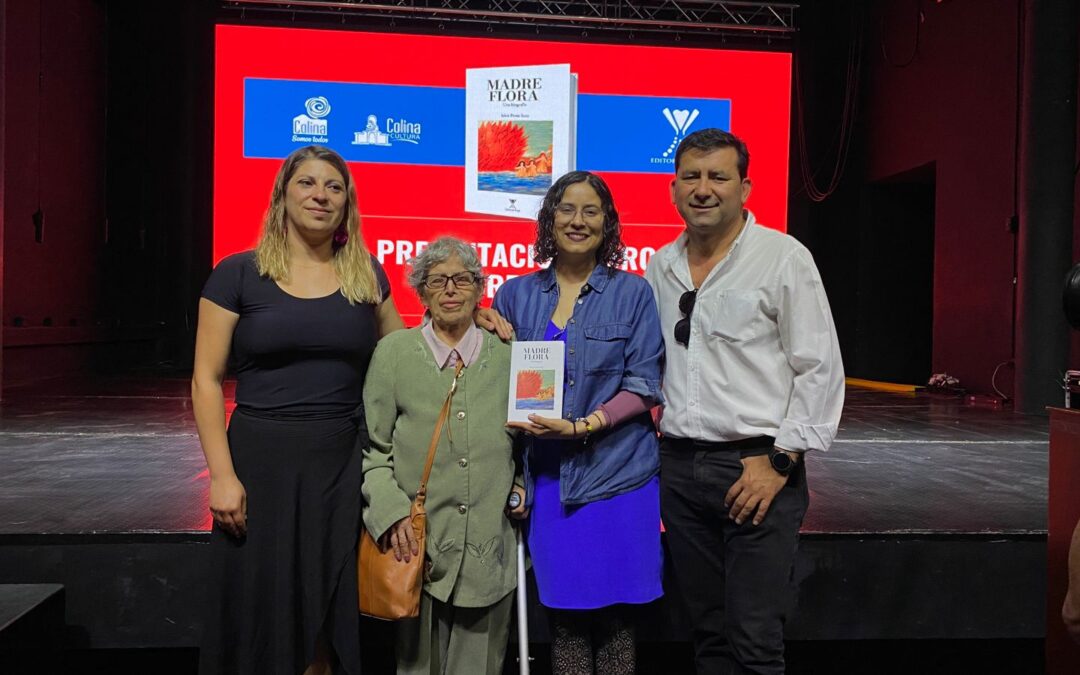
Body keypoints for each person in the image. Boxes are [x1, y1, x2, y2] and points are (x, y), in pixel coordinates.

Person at [192, 145, 406, 674]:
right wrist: (221, 476)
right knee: (262, 611)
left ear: (346, 204)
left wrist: (479, 325)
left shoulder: (366, 277)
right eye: (307, 183)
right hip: (260, 465)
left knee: (328, 616)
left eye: (334, 187)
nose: (320, 195)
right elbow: (206, 379)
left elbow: (408, 357)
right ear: (283, 196)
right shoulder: (237, 274)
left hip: (342, 465)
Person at [644, 128, 845, 674]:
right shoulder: (659, 268)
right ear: (673, 188)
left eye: (718, 177)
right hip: (681, 469)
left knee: (754, 639)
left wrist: (782, 460)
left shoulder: (783, 258)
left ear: (745, 187)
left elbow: (819, 367)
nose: (703, 189)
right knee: (707, 634)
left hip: (757, 466)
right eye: (691, 176)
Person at [494, 171, 665, 674]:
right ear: (549, 219)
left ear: (607, 224)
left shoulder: (633, 293)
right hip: (548, 482)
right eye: (567, 209)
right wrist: (480, 320)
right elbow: (498, 380)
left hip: (619, 476)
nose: (578, 220)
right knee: (565, 618)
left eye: (592, 211)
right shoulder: (515, 295)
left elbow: (644, 383)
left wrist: (583, 426)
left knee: (617, 622)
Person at [361, 237, 527, 675]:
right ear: (421, 292)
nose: (450, 289)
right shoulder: (392, 354)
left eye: (462, 280)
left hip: (488, 554)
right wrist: (392, 514)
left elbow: (528, 444)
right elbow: (373, 451)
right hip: (415, 552)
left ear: (479, 288)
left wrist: (521, 485)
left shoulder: (510, 357)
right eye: (437, 281)